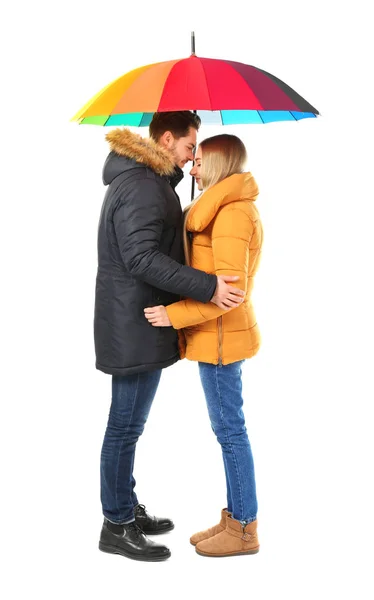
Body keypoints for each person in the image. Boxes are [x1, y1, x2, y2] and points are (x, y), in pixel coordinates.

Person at [95, 112, 246, 562]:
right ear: (166, 139)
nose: (191, 156)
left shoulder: (146, 181)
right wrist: (208, 287)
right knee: (124, 426)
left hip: (138, 319)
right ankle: (116, 523)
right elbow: (141, 257)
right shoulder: (143, 185)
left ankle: (123, 508)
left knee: (129, 425)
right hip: (136, 321)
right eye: (188, 146)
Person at [144, 133, 263, 558]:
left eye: (199, 161)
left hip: (220, 340)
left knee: (231, 432)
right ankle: (236, 517)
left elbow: (228, 295)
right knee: (228, 431)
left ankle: (245, 529)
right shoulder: (213, 208)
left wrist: (172, 316)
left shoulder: (231, 214)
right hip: (215, 338)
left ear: (217, 165)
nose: (191, 167)